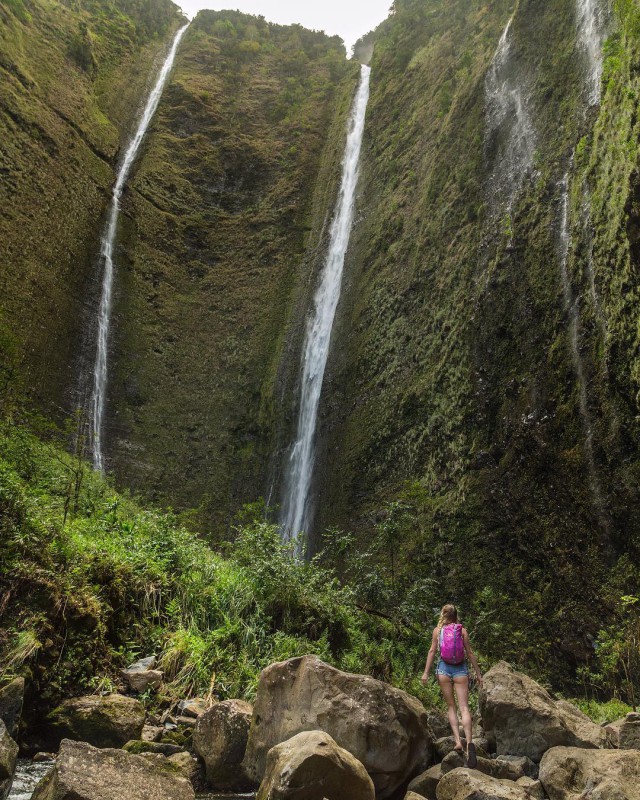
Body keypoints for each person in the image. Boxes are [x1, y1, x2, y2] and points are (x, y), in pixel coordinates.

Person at [421, 604, 483, 767]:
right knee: (464, 708)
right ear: (456, 616)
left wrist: (426, 672)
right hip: (461, 670)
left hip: (444, 669)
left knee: (451, 707)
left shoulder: (438, 631)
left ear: (444, 615)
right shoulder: (462, 631)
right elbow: (469, 653)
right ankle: (470, 743)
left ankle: (457, 741)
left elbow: (432, 652)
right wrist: (478, 674)